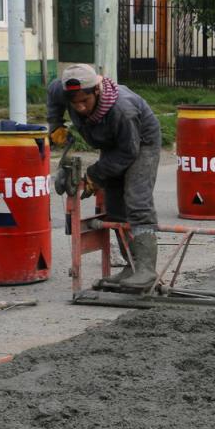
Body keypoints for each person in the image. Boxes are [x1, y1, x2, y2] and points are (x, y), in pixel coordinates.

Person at [46, 63, 163, 293]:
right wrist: (56, 124)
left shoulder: (122, 109)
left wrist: (95, 174)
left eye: (84, 101)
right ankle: (131, 267)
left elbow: (128, 152)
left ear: (96, 91)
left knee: (137, 199)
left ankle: (146, 271)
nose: (79, 108)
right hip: (113, 144)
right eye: (74, 102)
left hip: (141, 143)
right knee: (115, 203)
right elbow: (53, 94)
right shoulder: (62, 90)